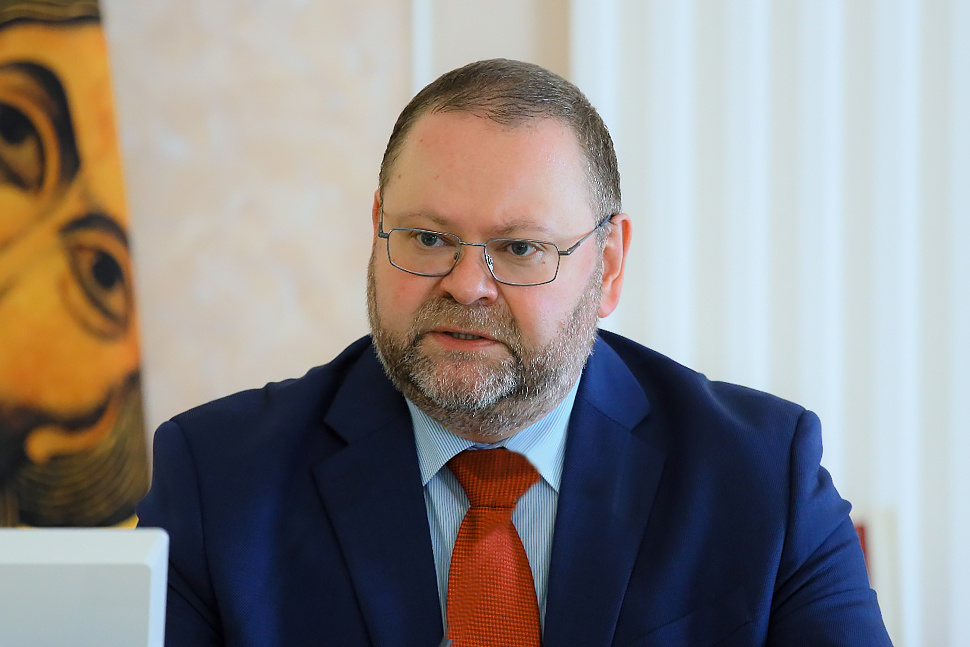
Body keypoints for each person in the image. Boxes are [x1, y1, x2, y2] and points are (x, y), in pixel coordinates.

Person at [137, 59, 892, 646]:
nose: (466, 285)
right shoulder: (216, 479)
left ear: (609, 267)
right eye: (427, 237)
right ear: (376, 230)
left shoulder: (760, 477)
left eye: (521, 247)